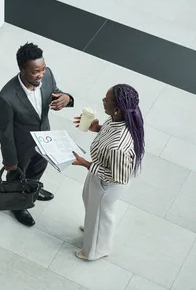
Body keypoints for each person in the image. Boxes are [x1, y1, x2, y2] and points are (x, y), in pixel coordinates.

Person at [0, 42, 74, 226]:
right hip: (21, 147)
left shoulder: (47, 76)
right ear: (22, 69)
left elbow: (56, 93)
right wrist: (10, 161)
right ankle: (17, 205)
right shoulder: (6, 97)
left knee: (38, 168)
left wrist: (67, 99)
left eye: (43, 69)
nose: (41, 74)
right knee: (16, 177)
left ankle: (31, 189)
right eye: (35, 72)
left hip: (44, 138)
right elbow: (4, 132)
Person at [72, 84, 145, 260]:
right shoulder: (118, 118)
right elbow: (109, 132)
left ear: (117, 108)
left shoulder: (118, 147)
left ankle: (94, 251)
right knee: (90, 204)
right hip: (100, 170)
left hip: (108, 182)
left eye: (107, 99)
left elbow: (117, 177)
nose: (103, 101)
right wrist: (97, 128)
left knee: (100, 216)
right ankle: (91, 228)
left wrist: (86, 164)